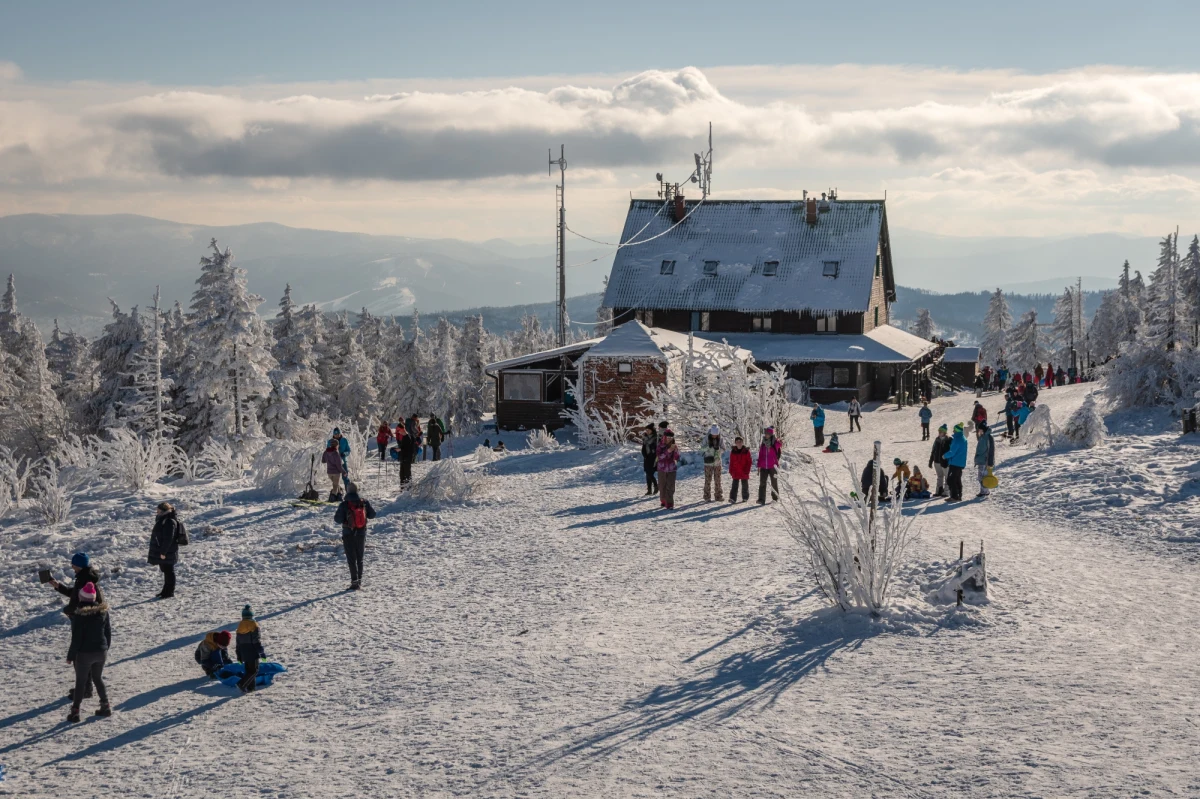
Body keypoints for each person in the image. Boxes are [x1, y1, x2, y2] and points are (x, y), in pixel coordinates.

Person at [66, 581, 111, 722]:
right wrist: (104, 648)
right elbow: (107, 633)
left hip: (84, 654)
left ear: (81, 598)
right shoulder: (103, 612)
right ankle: (105, 706)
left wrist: (71, 655)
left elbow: (76, 639)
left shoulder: (79, 616)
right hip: (101, 652)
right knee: (97, 678)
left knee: (81, 682)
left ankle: (75, 712)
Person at [334, 482, 377, 590]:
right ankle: (359, 581)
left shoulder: (344, 504)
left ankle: (354, 582)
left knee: (351, 559)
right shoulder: (364, 502)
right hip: (361, 533)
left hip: (348, 533)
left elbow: (337, 519)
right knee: (360, 558)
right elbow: (373, 515)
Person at [147, 501, 181, 599]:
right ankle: (165, 591)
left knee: (169, 571)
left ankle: (169, 592)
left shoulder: (169, 521)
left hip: (168, 551)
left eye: (158, 511)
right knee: (166, 571)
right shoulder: (164, 519)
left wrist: (163, 552)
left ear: (164, 511)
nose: (157, 512)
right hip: (165, 551)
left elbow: (168, 538)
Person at [236, 605, 266, 694]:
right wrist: (262, 652)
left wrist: (239, 655)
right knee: (254, 670)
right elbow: (256, 641)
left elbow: (238, 643)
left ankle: (251, 688)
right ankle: (241, 684)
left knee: (249, 671)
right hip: (252, 650)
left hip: (243, 651)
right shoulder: (254, 625)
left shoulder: (240, 626)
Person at [756, 427, 783, 505]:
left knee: (774, 482)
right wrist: (759, 464)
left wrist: (779, 441)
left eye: (768, 433)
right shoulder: (763, 443)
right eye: (766, 433)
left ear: (771, 434)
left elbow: (780, 444)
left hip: (773, 466)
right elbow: (760, 454)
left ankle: (775, 498)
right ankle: (761, 499)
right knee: (762, 483)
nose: (766, 435)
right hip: (764, 466)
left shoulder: (775, 443)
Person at [944, 422, 969, 502]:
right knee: (957, 479)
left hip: (955, 462)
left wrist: (944, 456)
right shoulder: (963, 438)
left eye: (954, 429)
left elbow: (952, 452)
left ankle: (954, 496)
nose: (953, 431)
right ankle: (958, 496)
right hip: (960, 463)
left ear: (957, 430)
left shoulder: (957, 439)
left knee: (950, 480)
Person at [656, 430, 680, 510]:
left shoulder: (674, 445)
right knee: (662, 486)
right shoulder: (660, 446)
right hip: (662, 468)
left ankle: (669, 503)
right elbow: (659, 457)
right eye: (668, 437)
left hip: (671, 468)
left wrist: (676, 451)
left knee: (670, 486)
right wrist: (668, 451)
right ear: (664, 437)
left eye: (671, 437)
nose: (669, 439)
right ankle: (663, 500)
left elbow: (677, 458)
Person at [701, 425, 724, 502]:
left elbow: (724, 449)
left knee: (718, 479)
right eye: (713, 435)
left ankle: (718, 495)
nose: (715, 436)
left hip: (717, 462)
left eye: (716, 435)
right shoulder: (706, 438)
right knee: (708, 479)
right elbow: (701, 449)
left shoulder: (720, 439)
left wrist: (719, 450)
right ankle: (707, 496)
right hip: (708, 462)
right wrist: (708, 447)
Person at [974, 421, 996, 498]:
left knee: (982, 477)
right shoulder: (982, 437)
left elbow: (991, 450)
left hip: (985, 461)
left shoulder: (988, 437)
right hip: (981, 460)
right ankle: (984, 491)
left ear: (983, 429)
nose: (978, 431)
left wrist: (990, 462)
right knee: (981, 477)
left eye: (979, 429)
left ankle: (985, 491)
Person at [928, 424, 951, 497]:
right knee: (939, 476)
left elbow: (951, 451)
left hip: (945, 461)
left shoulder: (949, 440)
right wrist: (931, 460)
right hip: (937, 461)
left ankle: (946, 491)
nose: (939, 433)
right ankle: (939, 491)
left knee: (947, 477)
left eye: (941, 431)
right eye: (939, 431)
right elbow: (933, 450)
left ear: (945, 432)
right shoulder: (937, 439)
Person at [728, 436, 752, 503]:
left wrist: (747, 470)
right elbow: (731, 462)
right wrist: (731, 470)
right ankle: (732, 498)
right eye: (737, 442)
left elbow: (749, 462)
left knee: (745, 485)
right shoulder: (733, 451)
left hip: (744, 471)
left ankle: (745, 497)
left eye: (740, 442)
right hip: (736, 471)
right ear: (735, 443)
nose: (739, 443)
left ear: (742, 442)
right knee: (734, 485)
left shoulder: (746, 451)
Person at [640, 425, 659, 496]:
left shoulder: (655, 438)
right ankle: (649, 490)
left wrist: (653, 452)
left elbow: (657, 448)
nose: (647, 431)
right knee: (647, 474)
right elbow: (643, 448)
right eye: (646, 430)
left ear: (652, 430)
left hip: (653, 458)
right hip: (647, 458)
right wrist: (644, 455)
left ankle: (656, 485)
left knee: (649, 473)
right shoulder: (645, 438)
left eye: (648, 430)